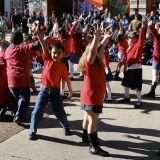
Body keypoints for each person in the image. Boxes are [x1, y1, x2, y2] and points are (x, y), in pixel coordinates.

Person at [29, 26, 73, 140]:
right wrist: (38, 33)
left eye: (59, 53)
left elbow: (66, 79)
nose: (56, 55)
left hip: (55, 92)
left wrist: (70, 90)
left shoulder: (63, 66)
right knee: (37, 111)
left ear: (63, 54)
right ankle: (32, 131)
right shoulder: (47, 58)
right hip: (43, 90)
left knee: (60, 112)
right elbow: (44, 45)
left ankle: (66, 127)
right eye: (54, 53)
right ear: (51, 52)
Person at [77, 25, 110, 157]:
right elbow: (93, 52)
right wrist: (96, 38)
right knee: (93, 121)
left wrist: (105, 38)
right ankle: (94, 147)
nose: (100, 52)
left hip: (89, 96)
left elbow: (99, 49)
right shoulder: (89, 61)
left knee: (87, 117)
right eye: (98, 51)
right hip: (92, 96)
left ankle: (85, 136)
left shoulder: (96, 61)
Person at [4, 29, 41, 124]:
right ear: (21, 40)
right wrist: (38, 34)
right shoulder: (23, 48)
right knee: (24, 98)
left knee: (14, 99)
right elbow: (37, 45)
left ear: (11, 40)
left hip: (11, 79)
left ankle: (16, 115)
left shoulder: (7, 50)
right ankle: (19, 116)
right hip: (22, 78)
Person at [118, 19, 148, 108]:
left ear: (136, 38)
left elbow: (141, 37)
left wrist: (143, 26)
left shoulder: (138, 45)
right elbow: (125, 55)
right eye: (129, 38)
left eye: (131, 38)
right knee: (125, 83)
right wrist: (121, 62)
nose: (129, 39)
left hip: (136, 68)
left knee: (137, 86)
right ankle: (127, 97)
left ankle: (139, 101)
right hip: (129, 68)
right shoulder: (129, 46)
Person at [143, 21, 160, 98]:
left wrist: (149, 24)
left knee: (154, 75)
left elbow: (152, 29)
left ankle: (152, 92)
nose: (156, 28)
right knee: (156, 75)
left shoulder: (157, 36)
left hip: (157, 58)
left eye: (157, 27)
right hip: (157, 58)